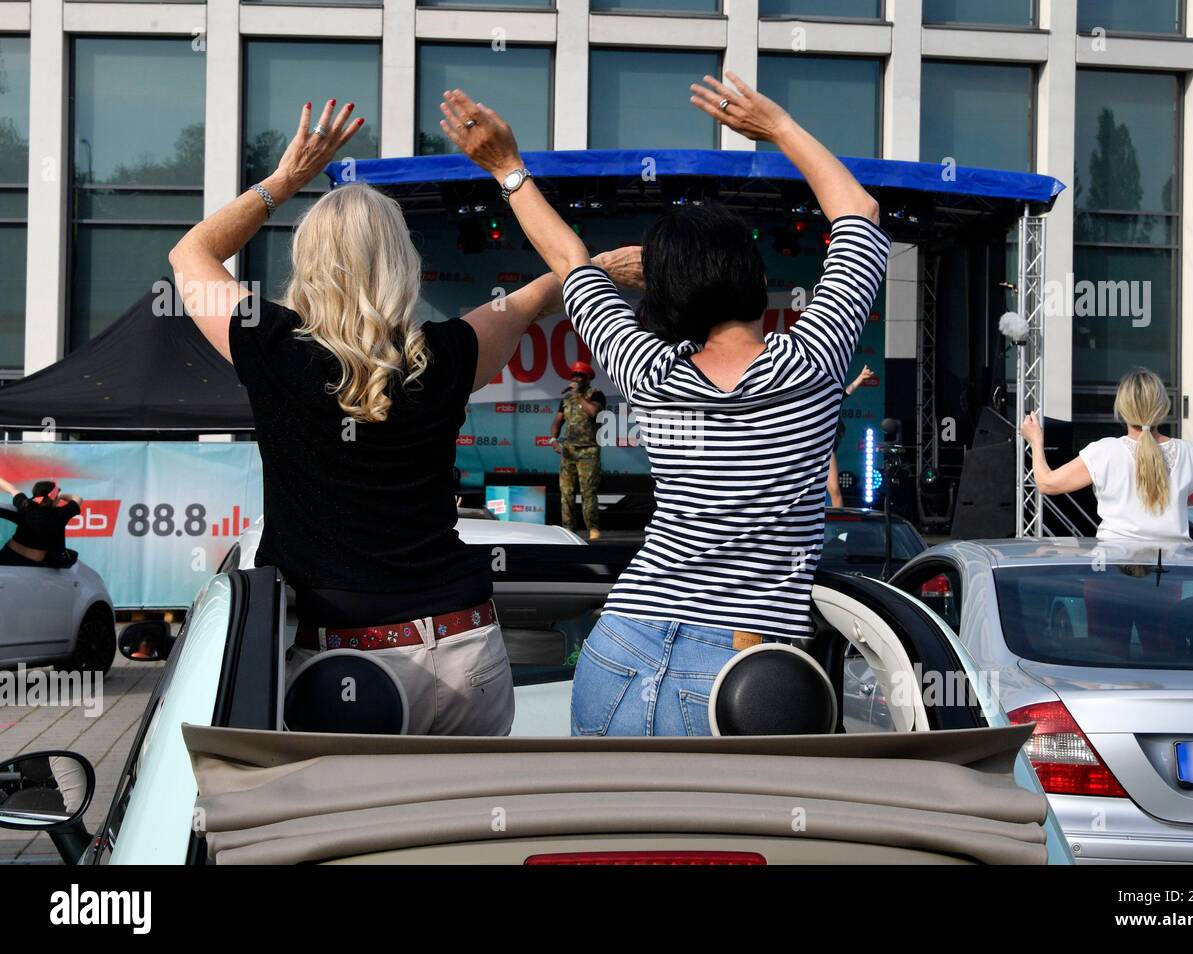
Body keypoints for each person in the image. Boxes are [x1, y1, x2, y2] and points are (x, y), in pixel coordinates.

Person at [439, 71, 890, 735]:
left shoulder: (648, 370)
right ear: (754, 278)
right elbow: (860, 214)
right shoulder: (814, 358)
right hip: (741, 673)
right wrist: (778, 128)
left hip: (619, 646)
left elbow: (568, 260)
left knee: (609, 839)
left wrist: (507, 168)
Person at [168, 99, 624, 735]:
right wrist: (594, 265)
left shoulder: (271, 347)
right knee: (470, 835)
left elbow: (191, 254)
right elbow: (538, 294)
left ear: (309, 261)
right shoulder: (449, 352)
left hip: (350, 666)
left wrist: (285, 181)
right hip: (469, 644)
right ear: (403, 263)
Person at [1020, 366, 1193, 542]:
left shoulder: (1104, 452)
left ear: (1121, 408)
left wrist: (1036, 441)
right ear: (1163, 407)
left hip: (1114, 572)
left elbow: (1047, 484)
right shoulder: (1190, 454)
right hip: (1171, 573)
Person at [549, 360, 605, 540]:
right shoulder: (566, 400)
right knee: (566, 492)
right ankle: (568, 529)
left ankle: (593, 528)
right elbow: (558, 421)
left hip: (588, 451)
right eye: (574, 375)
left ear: (587, 378)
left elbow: (593, 413)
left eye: (580, 375)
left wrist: (578, 395)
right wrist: (553, 439)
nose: (576, 378)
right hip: (569, 451)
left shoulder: (596, 395)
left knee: (588, 491)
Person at [827, 362, 879, 507]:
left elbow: (844, 393)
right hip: (800, 449)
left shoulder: (827, 398)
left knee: (835, 490)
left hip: (824, 449)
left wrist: (860, 378)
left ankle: (839, 527)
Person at [0, 477, 82, 568]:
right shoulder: (61, 514)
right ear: (55, 497)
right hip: (28, 564)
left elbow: (11, 489)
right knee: (72, 556)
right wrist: (61, 495)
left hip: (8, 554)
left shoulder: (25, 505)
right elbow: (77, 498)